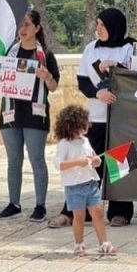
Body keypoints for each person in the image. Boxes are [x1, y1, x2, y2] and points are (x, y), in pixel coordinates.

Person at [47, 8, 134, 229]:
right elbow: (83, 81)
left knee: (119, 167)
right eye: (97, 24)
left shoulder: (129, 48)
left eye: (103, 25)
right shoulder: (90, 49)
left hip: (122, 119)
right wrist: (98, 93)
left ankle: (120, 211)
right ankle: (74, 210)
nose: (98, 29)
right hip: (97, 116)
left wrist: (117, 66)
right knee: (87, 164)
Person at [0, 10, 60, 222]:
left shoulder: (45, 55)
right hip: (11, 112)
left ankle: (40, 205)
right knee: (14, 160)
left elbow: (54, 86)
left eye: (27, 25)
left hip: (35, 113)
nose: (23, 29)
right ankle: (14, 203)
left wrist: (47, 76)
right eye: (20, 25)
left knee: (36, 158)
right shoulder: (9, 53)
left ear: (37, 28)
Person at [54, 105, 117, 256]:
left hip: (90, 183)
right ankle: (79, 244)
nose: (87, 126)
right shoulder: (64, 144)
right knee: (79, 216)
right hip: (74, 187)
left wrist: (96, 161)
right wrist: (77, 162)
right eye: (82, 124)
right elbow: (58, 164)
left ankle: (104, 243)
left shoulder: (85, 141)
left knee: (98, 213)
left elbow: (94, 157)